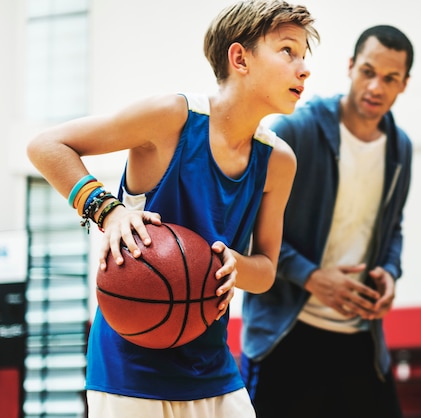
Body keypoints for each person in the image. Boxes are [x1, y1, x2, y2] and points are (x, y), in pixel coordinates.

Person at [26, 1, 319, 417]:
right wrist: (108, 211)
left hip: (212, 365)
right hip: (130, 363)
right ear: (240, 58)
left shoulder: (278, 161)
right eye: (288, 51)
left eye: (305, 56)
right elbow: (46, 146)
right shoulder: (171, 118)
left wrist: (236, 265)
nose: (303, 68)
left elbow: (267, 270)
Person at [240, 25, 414, 418]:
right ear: (351, 67)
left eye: (390, 79)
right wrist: (312, 276)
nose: (375, 87)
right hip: (287, 333)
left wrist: (389, 270)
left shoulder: (400, 147)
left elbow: (393, 227)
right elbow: (247, 229)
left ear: (404, 84)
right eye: (368, 71)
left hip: (360, 339)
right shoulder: (293, 132)